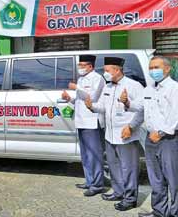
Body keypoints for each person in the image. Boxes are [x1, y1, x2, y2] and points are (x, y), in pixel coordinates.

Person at [120, 56, 178, 217]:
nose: (152, 71)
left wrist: (162, 132)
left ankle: (177, 213)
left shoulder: (175, 88)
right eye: (150, 68)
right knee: (156, 179)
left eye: (156, 67)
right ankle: (159, 212)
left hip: (169, 139)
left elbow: (177, 116)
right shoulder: (149, 89)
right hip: (151, 139)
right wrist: (127, 102)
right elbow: (139, 108)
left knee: (173, 180)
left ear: (167, 69)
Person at [85, 57, 145, 211]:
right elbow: (104, 107)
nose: (104, 73)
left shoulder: (134, 86)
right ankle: (118, 192)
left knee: (129, 168)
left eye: (107, 70)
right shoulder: (108, 87)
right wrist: (92, 106)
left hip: (126, 134)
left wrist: (131, 127)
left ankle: (130, 198)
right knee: (114, 166)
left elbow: (142, 110)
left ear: (117, 70)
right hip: (110, 134)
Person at [61, 54, 105, 197]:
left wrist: (77, 87)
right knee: (85, 155)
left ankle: (97, 185)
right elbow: (80, 99)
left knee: (94, 154)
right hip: (81, 121)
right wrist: (70, 98)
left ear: (90, 66)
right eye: (79, 65)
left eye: (82, 65)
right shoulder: (81, 79)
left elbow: (91, 97)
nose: (80, 68)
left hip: (92, 121)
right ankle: (89, 181)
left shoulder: (97, 79)